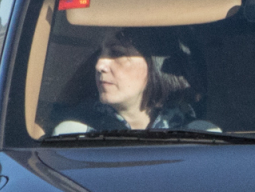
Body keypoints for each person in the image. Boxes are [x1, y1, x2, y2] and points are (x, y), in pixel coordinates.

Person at [50, 28, 197, 133]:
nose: (99, 65)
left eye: (116, 53)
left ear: (154, 64)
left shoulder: (199, 135)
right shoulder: (74, 134)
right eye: (99, 53)